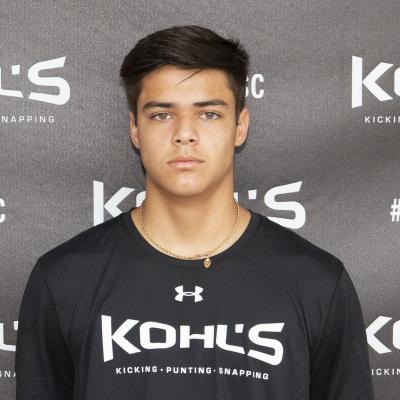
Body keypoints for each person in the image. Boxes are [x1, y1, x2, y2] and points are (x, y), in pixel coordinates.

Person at [15, 25, 375, 400]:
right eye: (161, 115)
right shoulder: (64, 279)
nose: (184, 133)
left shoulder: (316, 283)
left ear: (240, 126)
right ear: (135, 129)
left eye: (208, 114)